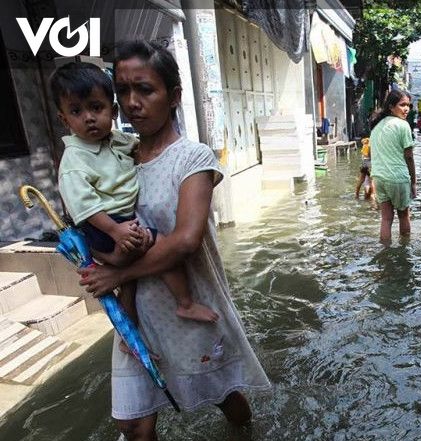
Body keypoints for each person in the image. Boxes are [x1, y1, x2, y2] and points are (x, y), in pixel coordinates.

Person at [77, 40, 270, 440]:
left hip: (187, 306)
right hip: (134, 311)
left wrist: (116, 275)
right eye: (124, 91)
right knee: (134, 424)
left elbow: (186, 240)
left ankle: (246, 432)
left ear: (174, 96)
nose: (132, 102)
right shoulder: (116, 157)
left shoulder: (193, 158)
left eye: (145, 89)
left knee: (224, 398)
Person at [52, 62, 218, 324]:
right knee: (161, 243)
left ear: (113, 111)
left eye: (96, 108)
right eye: (76, 111)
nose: (89, 118)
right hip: (104, 225)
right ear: (64, 119)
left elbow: (142, 146)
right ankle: (185, 302)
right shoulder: (74, 161)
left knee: (129, 283)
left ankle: (128, 328)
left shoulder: (117, 142)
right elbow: (85, 207)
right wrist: (115, 231)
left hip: (118, 222)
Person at [369, 90, 416, 243]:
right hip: (397, 178)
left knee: (386, 219)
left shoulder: (376, 127)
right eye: (402, 105)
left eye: (408, 105)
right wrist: (414, 182)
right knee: (404, 216)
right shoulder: (403, 125)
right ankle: (405, 251)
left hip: (379, 178)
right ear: (391, 106)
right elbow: (409, 156)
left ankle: (385, 253)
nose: (406, 109)